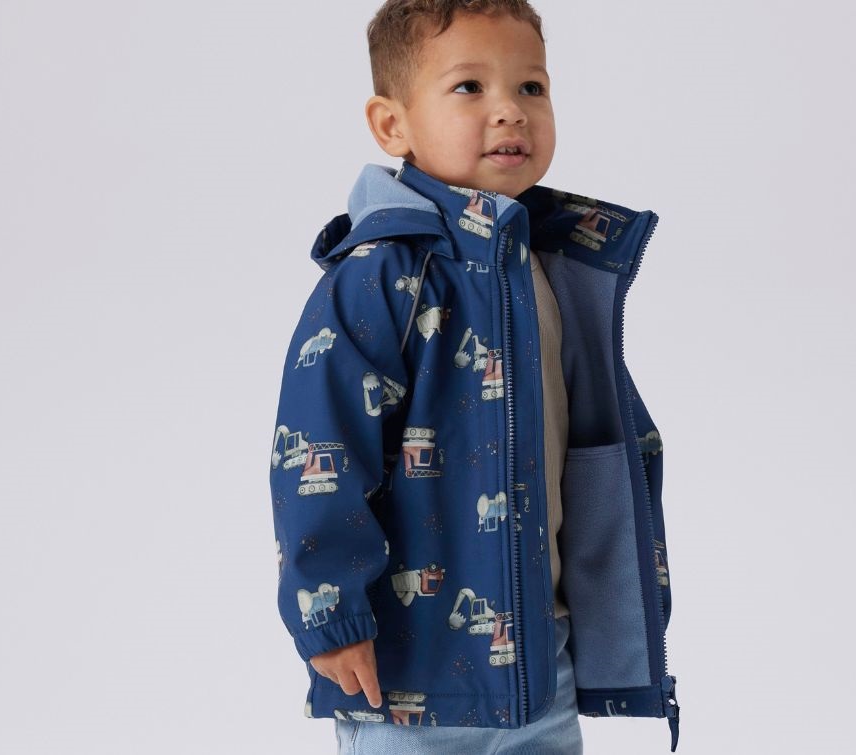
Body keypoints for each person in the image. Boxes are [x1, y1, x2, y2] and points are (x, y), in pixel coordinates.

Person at [268, 1, 681, 752]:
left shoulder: (549, 265)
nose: (510, 111)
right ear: (392, 125)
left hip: (539, 662)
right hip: (406, 677)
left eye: (531, 87)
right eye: (469, 87)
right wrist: (330, 618)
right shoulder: (379, 275)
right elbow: (319, 453)